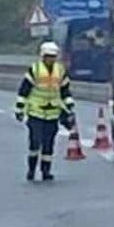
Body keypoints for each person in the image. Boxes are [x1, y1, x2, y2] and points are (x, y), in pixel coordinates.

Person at [15, 41, 75, 181]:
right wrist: (19, 109)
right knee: (35, 142)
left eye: (53, 56)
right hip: (36, 112)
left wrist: (70, 107)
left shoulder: (60, 71)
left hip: (53, 113)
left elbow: (65, 91)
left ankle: (46, 171)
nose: (51, 59)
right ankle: (31, 170)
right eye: (48, 56)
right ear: (42, 56)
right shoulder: (35, 70)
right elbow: (24, 91)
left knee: (49, 144)